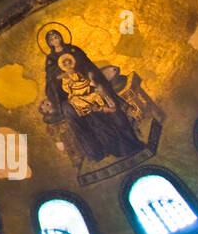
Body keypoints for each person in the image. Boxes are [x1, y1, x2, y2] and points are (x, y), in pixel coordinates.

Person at [42, 29, 144, 162]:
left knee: (114, 111)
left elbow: (89, 67)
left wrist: (94, 80)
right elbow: (52, 82)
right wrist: (62, 77)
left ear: (60, 37)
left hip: (91, 87)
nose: (56, 40)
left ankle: (130, 143)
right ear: (49, 43)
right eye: (52, 39)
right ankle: (103, 150)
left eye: (57, 36)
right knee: (94, 120)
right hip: (77, 97)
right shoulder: (51, 60)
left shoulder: (73, 50)